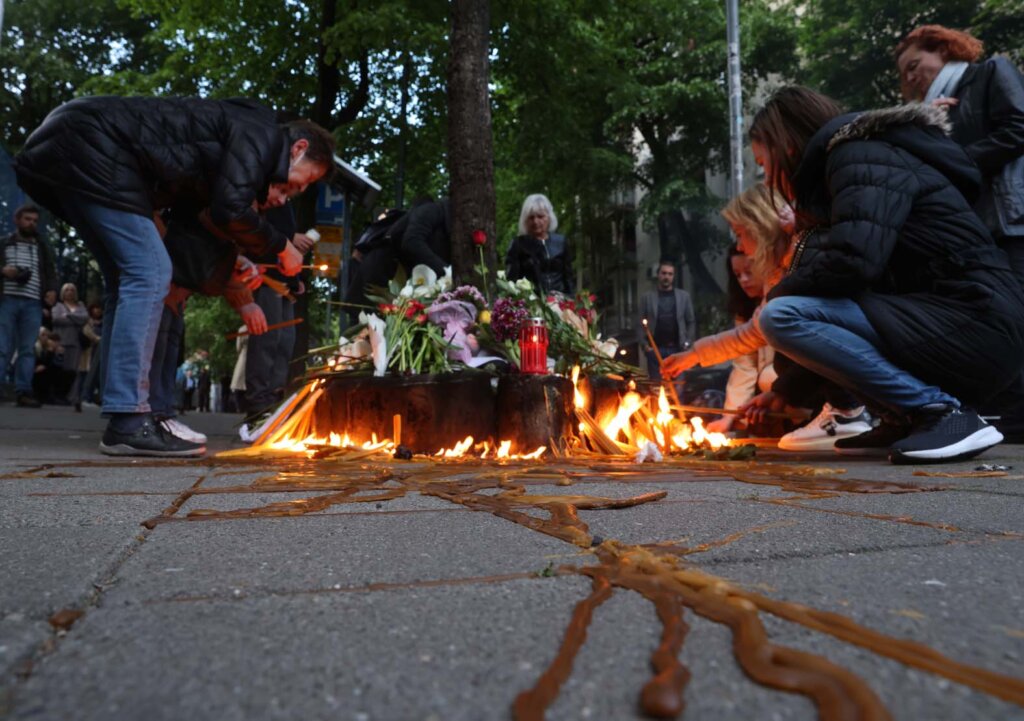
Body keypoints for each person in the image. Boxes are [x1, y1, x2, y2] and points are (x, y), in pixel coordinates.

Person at [15, 96, 334, 456]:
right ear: (299, 149)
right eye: (310, 179)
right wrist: (281, 246)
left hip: (69, 149)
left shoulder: (233, 143)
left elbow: (197, 214)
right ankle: (129, 420)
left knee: (127, 279)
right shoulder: (261, 134)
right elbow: (229, 209)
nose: (302, 190)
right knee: (151, 273)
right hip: (93, 146)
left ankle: (136, 411)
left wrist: (232, 264)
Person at [744, 85, 1024, 463]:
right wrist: (785, 390)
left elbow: (855, 260)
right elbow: (852, 309)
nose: (767, 180)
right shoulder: (855, 163)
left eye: (764, 165)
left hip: (977, 317)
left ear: (787, 147)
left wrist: (778, 295)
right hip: (960, 317)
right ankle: (903, 417)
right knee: (796, 311)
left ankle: (940, 413)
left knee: (784, 315)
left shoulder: (857, 156)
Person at [664, 184, 872, 450]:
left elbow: (783, 331)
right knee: (778, 360)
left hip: (864, 353)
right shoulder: (780, 267)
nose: (739, 244)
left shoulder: (802, 257)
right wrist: (694, 355)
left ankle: (845, 410)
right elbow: (751, 335)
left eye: (740, 234)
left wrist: (781, 391)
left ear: (759, 226)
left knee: (781, 354)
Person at [896, 25, 1024, 257]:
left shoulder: (990, 71)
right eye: (905, 74)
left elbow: (1019, 128)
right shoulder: (930, 112)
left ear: (943, 50)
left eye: (913, 66)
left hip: (1012, 219)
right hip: (972, 233)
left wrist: (957, 161)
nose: (910, 78)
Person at [0, 205, 58, 408]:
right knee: (2, 346)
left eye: (34, 220)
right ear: (17, 219)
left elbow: (50, 271)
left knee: (27, 349)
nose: (31, 223)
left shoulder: (41, 246)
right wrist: (4, 271)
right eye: (27, 219)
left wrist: (51, 290)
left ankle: (24, 391)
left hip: (33, 302)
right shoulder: (4, 243)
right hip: (7, 298)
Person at [505, 194, 575, 295]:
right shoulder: (518, 244)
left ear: (549, 217)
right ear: (525, 220)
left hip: (560, 302)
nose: (536, 221)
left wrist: (571, 303)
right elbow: (511, 281)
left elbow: (568, 279)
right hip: (531, 304)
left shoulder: (561, 242)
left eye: (540, 216)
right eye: (531, 217)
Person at [638, 261, 695, 382]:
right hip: (655, 349)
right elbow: (639, 323)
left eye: (670, 274)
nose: (666, 277)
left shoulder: (684, 297)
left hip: (678, 349)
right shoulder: (647, 297)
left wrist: (687, 342)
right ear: (658, 274)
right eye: (664, 273)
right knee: (656, 387)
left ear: (673, 277)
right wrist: (645, 345)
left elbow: (691, 321)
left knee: (678, 386)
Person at [51, 282, 88, 406]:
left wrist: (68, 315)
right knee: (60, 370)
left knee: (73, 371)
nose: (70, 292)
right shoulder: (58, 305)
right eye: (67, 290)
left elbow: (84, 318)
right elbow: (56, 319)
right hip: (60, 341)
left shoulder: (80, 305)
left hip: (75, 342)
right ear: (63, 292)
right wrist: (75, 319)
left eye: (72, 290)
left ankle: (72, 397)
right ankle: (58, 396)